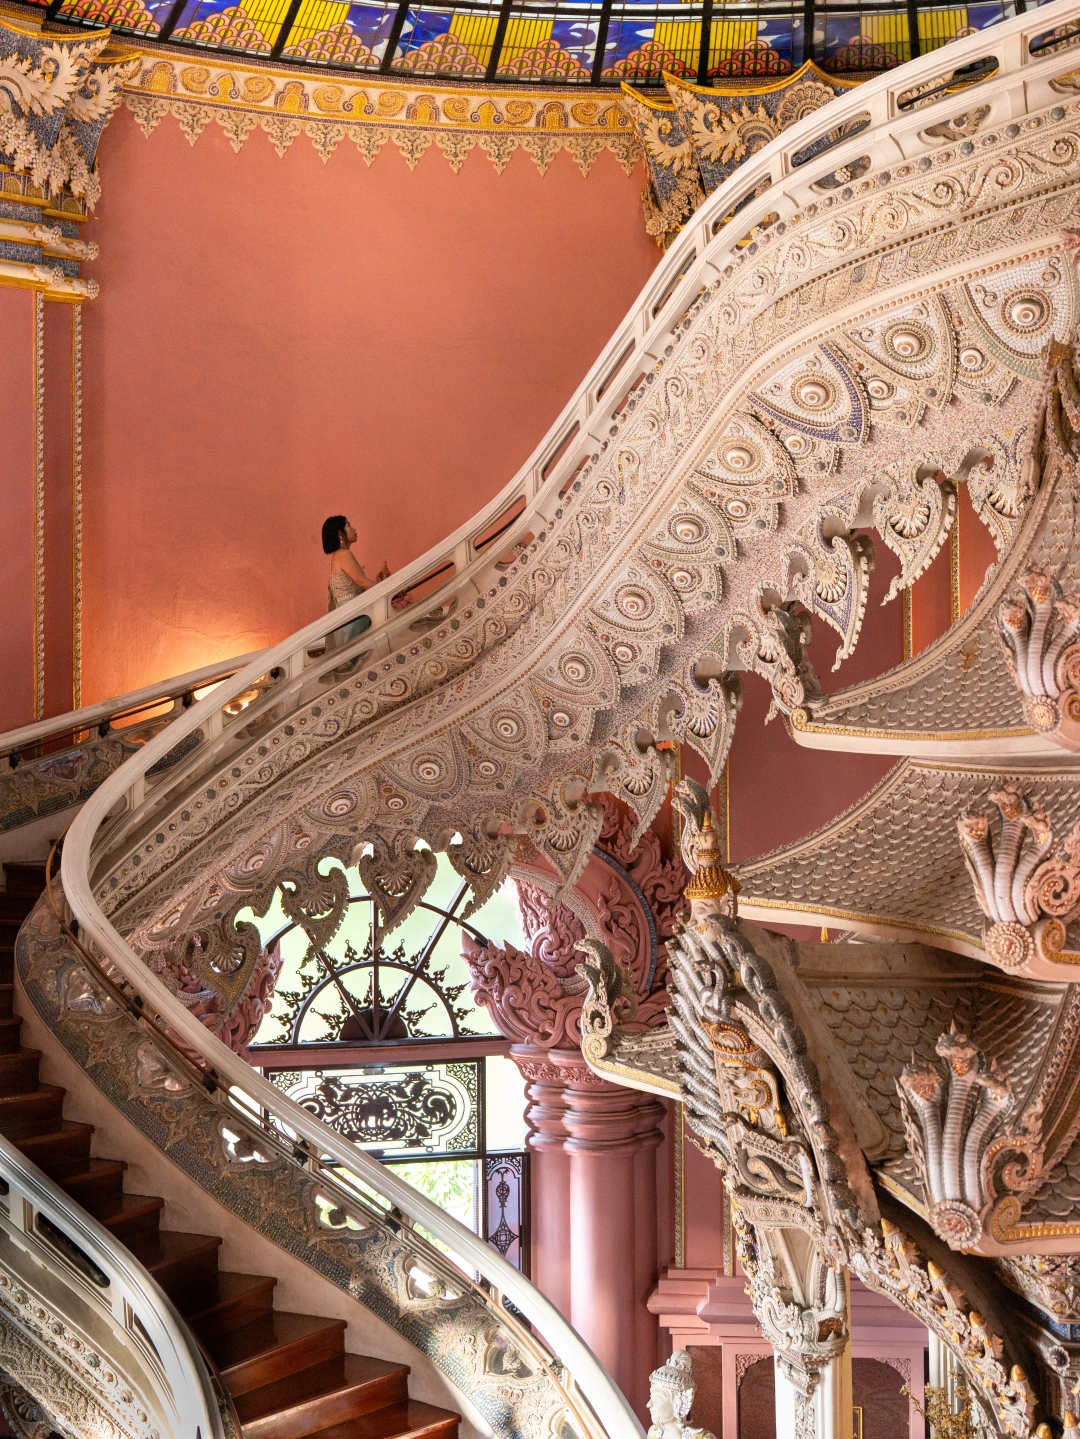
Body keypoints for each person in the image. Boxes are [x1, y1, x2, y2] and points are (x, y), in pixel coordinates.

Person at [321, 515, 388, 652]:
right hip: (354, 616)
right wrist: (390, 588)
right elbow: (362, 582)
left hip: (348, 613)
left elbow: (359, 585)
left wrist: (378, 583)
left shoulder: (338, 555)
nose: (354, 529)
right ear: (340, 533)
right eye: (348, 525)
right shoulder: (344, 554)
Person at [646, 1350, 716, 1439]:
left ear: (679, 1402)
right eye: (651, 1396)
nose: (649, 1404)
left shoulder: (703, 1437)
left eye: (658, 1397)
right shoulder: (654, 1433)